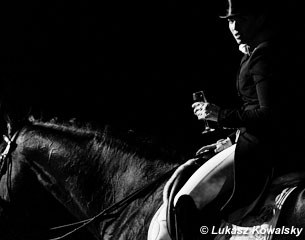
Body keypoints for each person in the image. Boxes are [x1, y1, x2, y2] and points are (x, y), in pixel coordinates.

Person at [148, 0, 305, 239]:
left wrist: (218, 115)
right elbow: (256, 108)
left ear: (260, 18)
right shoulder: (254, 50)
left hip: (262, 147)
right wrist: (231, 138)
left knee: (184, 202)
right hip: (252, 138)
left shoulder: (263, 53)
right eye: (231, 20)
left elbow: (270, 115)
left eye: (241, 18)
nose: (235, 27)